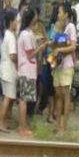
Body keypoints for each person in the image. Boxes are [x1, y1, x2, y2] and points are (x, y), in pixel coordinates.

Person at [16, 8, 48, 138]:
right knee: (24, 100)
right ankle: (22, 126)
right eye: (35, 15)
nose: (37, 17)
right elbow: (29, 54)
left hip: (26, 70)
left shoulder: (26, 33)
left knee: (25, 99)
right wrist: (40, 48)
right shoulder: (26, 34)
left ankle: (23, 125)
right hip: (26, 70)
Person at [52, 1, 77, 137]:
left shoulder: (71, 27)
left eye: (60, 12)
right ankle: (57, 125)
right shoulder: (60, 27)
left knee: (65, 96)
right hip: (58, 65)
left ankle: (63, 127)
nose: (58, 14)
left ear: (66, 14)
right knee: (58, 95)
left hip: (66, 65)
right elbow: (57, 42)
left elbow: (73, 46)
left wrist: (60, 49)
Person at [0, 11, 19, 133]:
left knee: (6, 96)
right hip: (9, 69)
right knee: (9, 96)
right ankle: (1, 122)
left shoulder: (4, 34)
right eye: (16, 20)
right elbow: (12, 56)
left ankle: (4, 120)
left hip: (3, 67)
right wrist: (18, 61)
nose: (17, 23)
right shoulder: (10, 36)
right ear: (11, 22)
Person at [42, 3, 60, 122]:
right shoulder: (54, 26)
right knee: (50, 88)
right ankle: (50, 113)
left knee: (55, 88)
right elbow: (51, 42)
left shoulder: (63, 27)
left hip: (57, 59)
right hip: (51, 59)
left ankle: (53, 112)